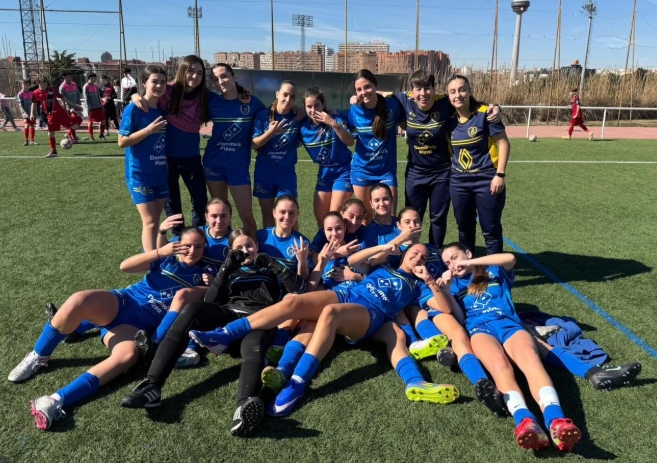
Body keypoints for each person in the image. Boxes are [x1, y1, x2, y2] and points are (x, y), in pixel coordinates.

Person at [190, 242, 459, 417]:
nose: (418, 257)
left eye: (424, 256)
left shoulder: (417, 286)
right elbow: (354, 259)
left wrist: (430, 280)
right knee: (293, 301)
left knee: (332, 314)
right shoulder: (384, 265)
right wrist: (388, 246)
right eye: (415, 252)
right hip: (346, 294)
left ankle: (297, 383)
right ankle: (224, 334)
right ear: (406, 253)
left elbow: (445, 307)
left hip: (370, 313)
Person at [7, 227, 209, 431]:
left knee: (127, 357)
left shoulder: (203, 275)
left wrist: (209, 284)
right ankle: (38, 356)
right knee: (78, 300)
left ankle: (54, 400)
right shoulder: (166, 258)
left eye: (199, 246)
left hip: (132, 328)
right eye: (187, 245)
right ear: (177, 244)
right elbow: (125, 267)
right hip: (123, 303)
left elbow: (204, 298)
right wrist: (160, 251)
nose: (192, 251)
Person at [120, 228, 307, 437]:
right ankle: (152, 385)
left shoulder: (270, 269)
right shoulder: (229, 270)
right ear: (231, 251)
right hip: (227, 317)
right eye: (239, 248)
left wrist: (272, 264)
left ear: (257, 247)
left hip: (258, 321)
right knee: (193, 309)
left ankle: (243, 407)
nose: (245, 250)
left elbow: (300, 290)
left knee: (254, 345)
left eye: (249, 246)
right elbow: (210, 300)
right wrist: (227, 267)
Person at [441, 242, 581, 452]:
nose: (452, 264)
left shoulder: (492, 270)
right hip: (480, 329)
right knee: (499, 366)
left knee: (531, 361)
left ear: (468, 253)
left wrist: (469, 263)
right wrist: (446, 291)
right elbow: (461, 318)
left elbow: (510, 258)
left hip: (509, 325)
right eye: (447, 262)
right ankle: (525, 421)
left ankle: (556, 421)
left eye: (454, 257)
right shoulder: (454, 285)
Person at [446, 75, 510, 255]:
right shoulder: (448, 119)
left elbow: (504, 143)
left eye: (462, 90)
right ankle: (467, 266)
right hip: (459, 182)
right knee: (464, 228)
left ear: (470, 91)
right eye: (453, 92)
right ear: (448, 95)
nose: (458, 95)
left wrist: (500, 175)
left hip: (486, 180)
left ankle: (495, 268)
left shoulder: (485, 113)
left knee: (491, 229)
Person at [204, 63, 264, 234]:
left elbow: (275, 112)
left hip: (238, 167)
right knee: (219, 216)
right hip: (213, 164)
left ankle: (253, 249)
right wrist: (135, 95)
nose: (220, 81)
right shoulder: (212, 101)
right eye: (215, 79)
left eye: (224, 76)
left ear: (233, 77)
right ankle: (222, 248)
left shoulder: (252, 102)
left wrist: (296, 108)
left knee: (247, 216)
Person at [117, 65, 169, 252]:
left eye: (162, 82)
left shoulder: (163, 109)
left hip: (160, 174)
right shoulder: (134, 109)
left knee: (156, 220)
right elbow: (122, 142)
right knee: (149, 222)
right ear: (144, 82)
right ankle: (150, 262)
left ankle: (156, 258)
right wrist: (148, 130)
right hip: (139, 174)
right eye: (154, 81)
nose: (159, 86)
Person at [347, 69, 405, 222]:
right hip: (362, 170)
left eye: (367, 87)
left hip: (386, 172)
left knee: (389, 218)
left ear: (375, 85)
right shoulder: (354, 110)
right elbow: (347, 131)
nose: (363, 92)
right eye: (359, 89)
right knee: (364, 219)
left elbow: (407, 125)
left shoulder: (392, 106)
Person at [300, 87, 355, 227]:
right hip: (324, 173)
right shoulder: (303, 127)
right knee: (321, 218)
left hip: (343, 171)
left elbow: (350, 141)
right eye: (309, 106)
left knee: (334, 216)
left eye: (317, 105)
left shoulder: (334, 117)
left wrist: (333, 124)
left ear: (323, 104)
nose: (313, 110)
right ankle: (325, 241)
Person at [252, 81, 301, 228]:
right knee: (267, 214)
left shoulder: (297, 116)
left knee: (290, 215)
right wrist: (271, 132)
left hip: (286, 173)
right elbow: (254, 144)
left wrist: (302, 111)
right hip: (264, 171)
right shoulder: (263, 115)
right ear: (277, 94)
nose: (288, 99)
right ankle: (270, 242)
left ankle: (293, 243)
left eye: (292, 96)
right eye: (285, 94)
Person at [255, 195, 311, 280]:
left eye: (292, 213)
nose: (287, 217)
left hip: (287, 287)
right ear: (274, 213)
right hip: (263, 285)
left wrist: (302, 261)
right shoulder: (261, 236)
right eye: (282, 212)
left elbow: (303, 280)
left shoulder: (303, 243)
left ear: (297, 215)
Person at [30, 76, 83, 158]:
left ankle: (75, 115)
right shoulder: (35, 93)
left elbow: (62, 97)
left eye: (46, 82)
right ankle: (53, 151)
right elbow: (34, 103)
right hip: (50, 115)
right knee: (50, 133)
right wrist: (32, 114)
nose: (45, 84)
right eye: (43, 83)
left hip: (60, 112)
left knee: (75, 126)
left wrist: (74, 105)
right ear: (39, 83)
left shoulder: (52, 89)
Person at [308, 197, 365, 265]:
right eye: (351, 216)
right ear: (342, 213)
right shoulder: (327, 232)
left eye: (359, 218)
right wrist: (336, 254)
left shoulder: (363, 231)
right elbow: (311, 257)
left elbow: (367, 260)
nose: (354, 222)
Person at [361, 183, 401, 248]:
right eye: (376, 200)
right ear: (371, 204)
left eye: (385, 199)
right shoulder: (369, 232)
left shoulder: (402, 222)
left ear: (392, 200)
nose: (382, 204)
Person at [58, 72, 81, 142]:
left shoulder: (74, 84)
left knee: (79, 121)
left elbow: (78, 94)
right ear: (64, 77)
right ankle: (73, 137)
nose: (70, 77)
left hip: (76, 106)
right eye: (68, 76)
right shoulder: (62, 87)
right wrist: (65, 109)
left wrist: (79, 104)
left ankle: (68, 134)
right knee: (73, 122)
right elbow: (62, 99)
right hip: (69, 108)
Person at [82, 73, 106, 141]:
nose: (95, 79)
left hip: (98, 106)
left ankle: (101, 134)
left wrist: (101, 105)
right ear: (90, 78)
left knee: (103, 120)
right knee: (90, 122)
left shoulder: (95, 86)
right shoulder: (86, 86)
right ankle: (91, 136)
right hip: (91, 108)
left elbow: (98, 96)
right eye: (94, 77)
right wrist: (88, 108)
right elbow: (86, 98)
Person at [17, 80, 37, 145]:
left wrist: (34, 112)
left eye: (27, 85)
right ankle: (26, 141)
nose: (25, 86)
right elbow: (20, 105)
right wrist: (25, 113)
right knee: (27, 125)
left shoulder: (31, 93)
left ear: (28, 85)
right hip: (25, 113)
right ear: (21, 86)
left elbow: (34, 103)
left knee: (32, 126)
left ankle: (32, 140)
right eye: (24, 85)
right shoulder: (20, 94)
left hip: (31, 113)